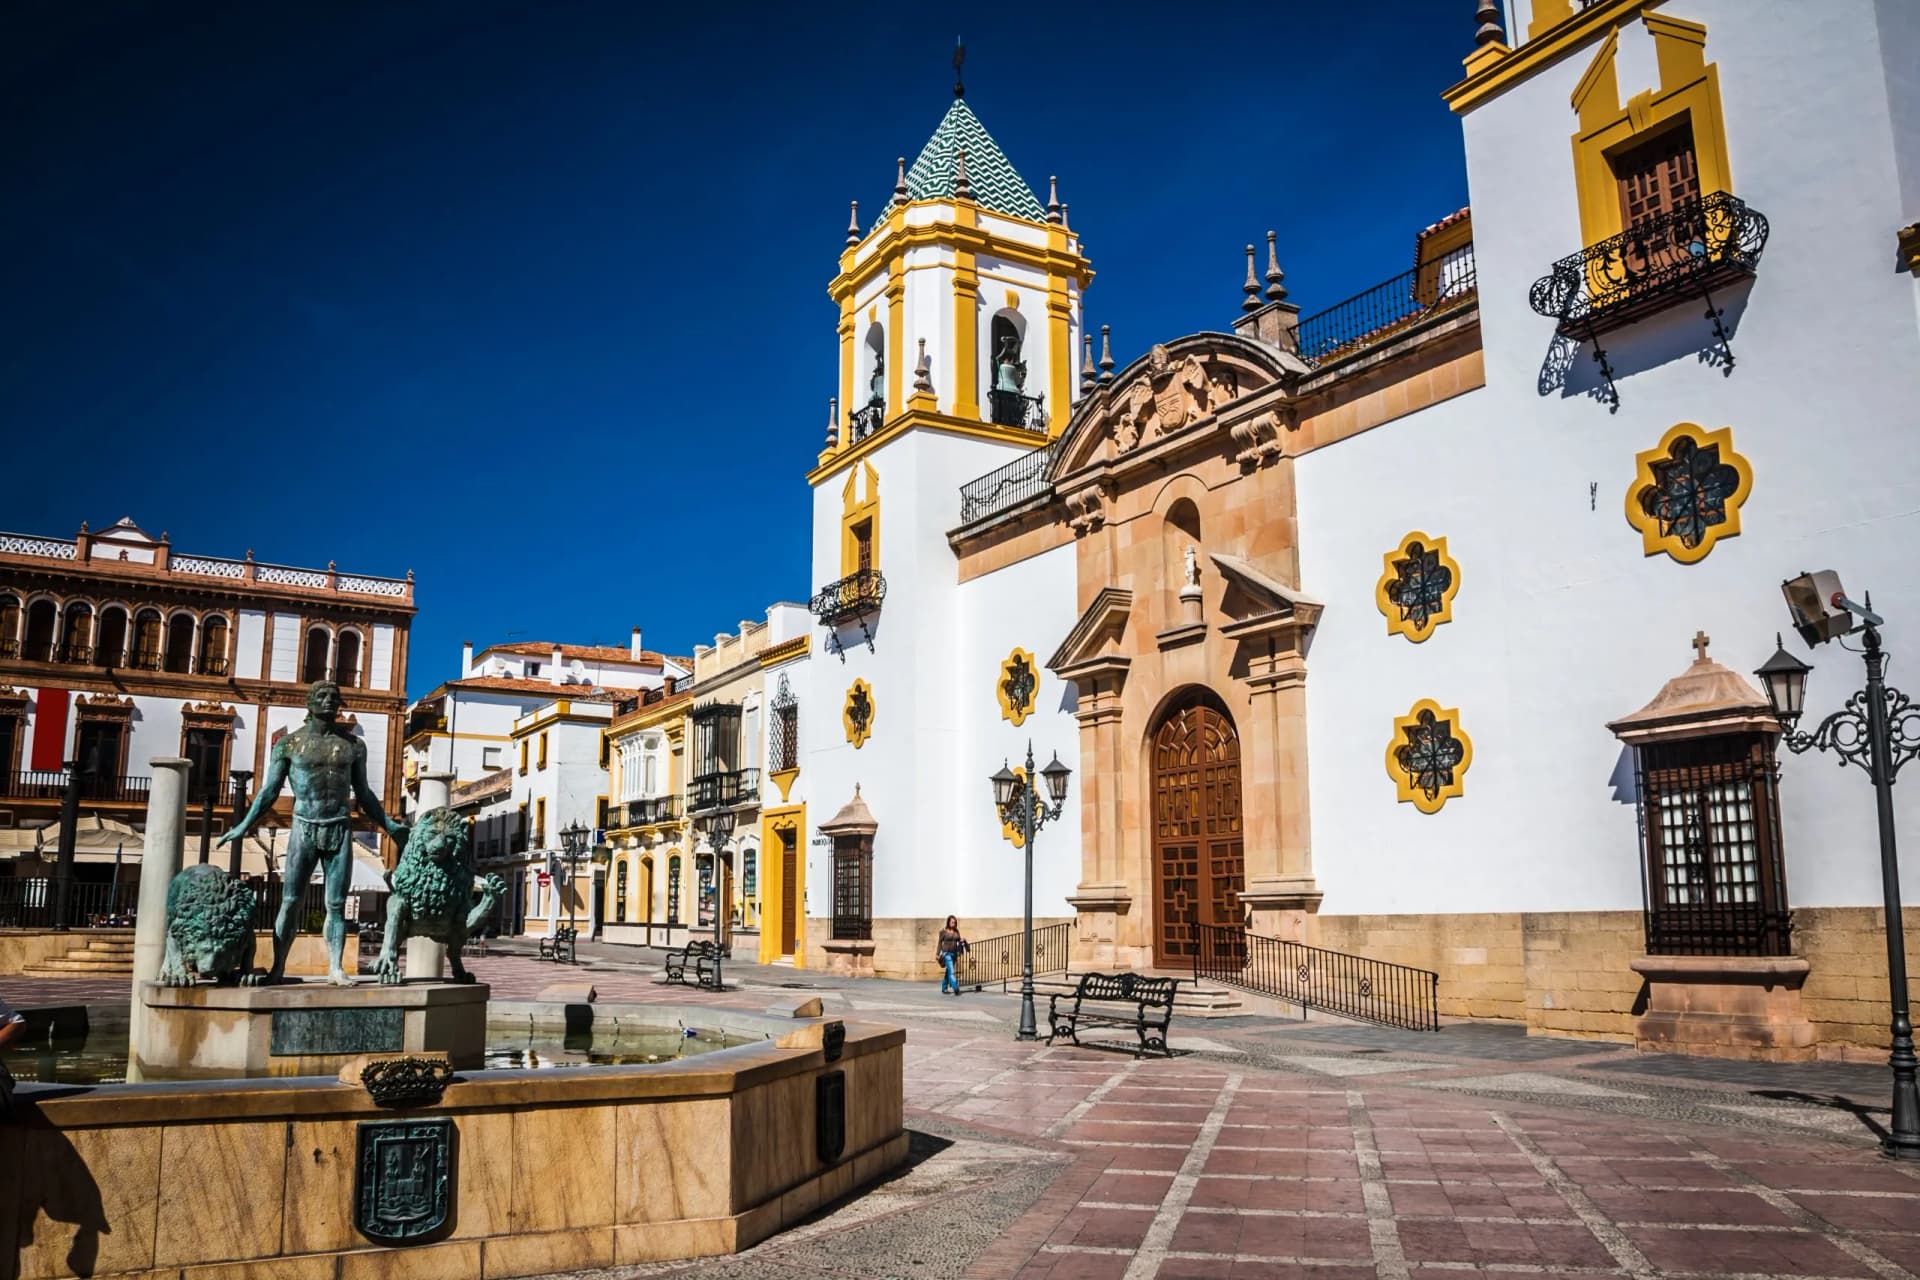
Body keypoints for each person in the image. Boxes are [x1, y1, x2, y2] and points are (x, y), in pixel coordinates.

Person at [218, 680, 408, 986]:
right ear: (309, 703)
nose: (330, 700)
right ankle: (278, 968)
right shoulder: (289, 744)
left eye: (334, 696)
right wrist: (243, 824)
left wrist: (389, 824)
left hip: (339, 827)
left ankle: (335, 968)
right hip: (304, 826)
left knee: (336, 904)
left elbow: (364, 793)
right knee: (291, 900)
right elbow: (269, 791)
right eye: (322, 695)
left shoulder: (353, 746)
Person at [937, 916, 968, 996]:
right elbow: (940, 943)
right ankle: (955, 988)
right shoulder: (943, 931)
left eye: (954, 922)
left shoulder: (956, 931)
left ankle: (944, 988)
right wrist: (937, 954)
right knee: (951, 971)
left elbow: (958, 939)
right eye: (952, 922)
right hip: (946, 954)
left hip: (954, 954)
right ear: (948, 922)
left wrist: (962, 940)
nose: (953, 924)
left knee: (948, 971)